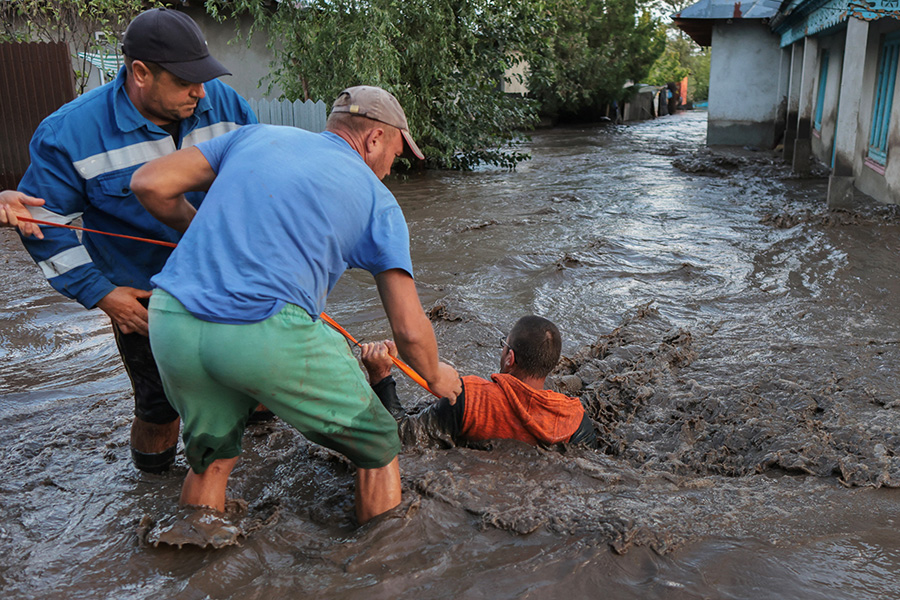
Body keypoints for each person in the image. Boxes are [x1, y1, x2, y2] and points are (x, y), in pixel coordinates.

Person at [130, 85, 461, 524]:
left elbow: (149, 182)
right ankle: (386, 570)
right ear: (375, 138)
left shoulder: (253, 135)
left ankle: (196, 565)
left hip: (171, 319)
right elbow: (408, 328)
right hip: (261, 331)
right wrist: (437, 376)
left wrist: (195, 228)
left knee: (210, 459)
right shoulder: (378, 200)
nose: (390, 168)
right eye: (396, 155)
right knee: (380, 443)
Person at [15, 7, 257, 474]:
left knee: (253, 381)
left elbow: (257, 180)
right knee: (158, 408)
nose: (200, 92)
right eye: (186, 81)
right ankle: (150, 484)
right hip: (145, 297)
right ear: (140, 73)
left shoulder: (224, 104)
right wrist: (103, 295)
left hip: (228, 279)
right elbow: (47, 225)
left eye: (204, 77)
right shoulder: (69, 133)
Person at [360, 315, 597, 448]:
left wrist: (381, 376)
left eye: (504, 346)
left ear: (510, 359)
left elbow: (400, 437)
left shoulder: (469, 398)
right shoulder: (576, 420)